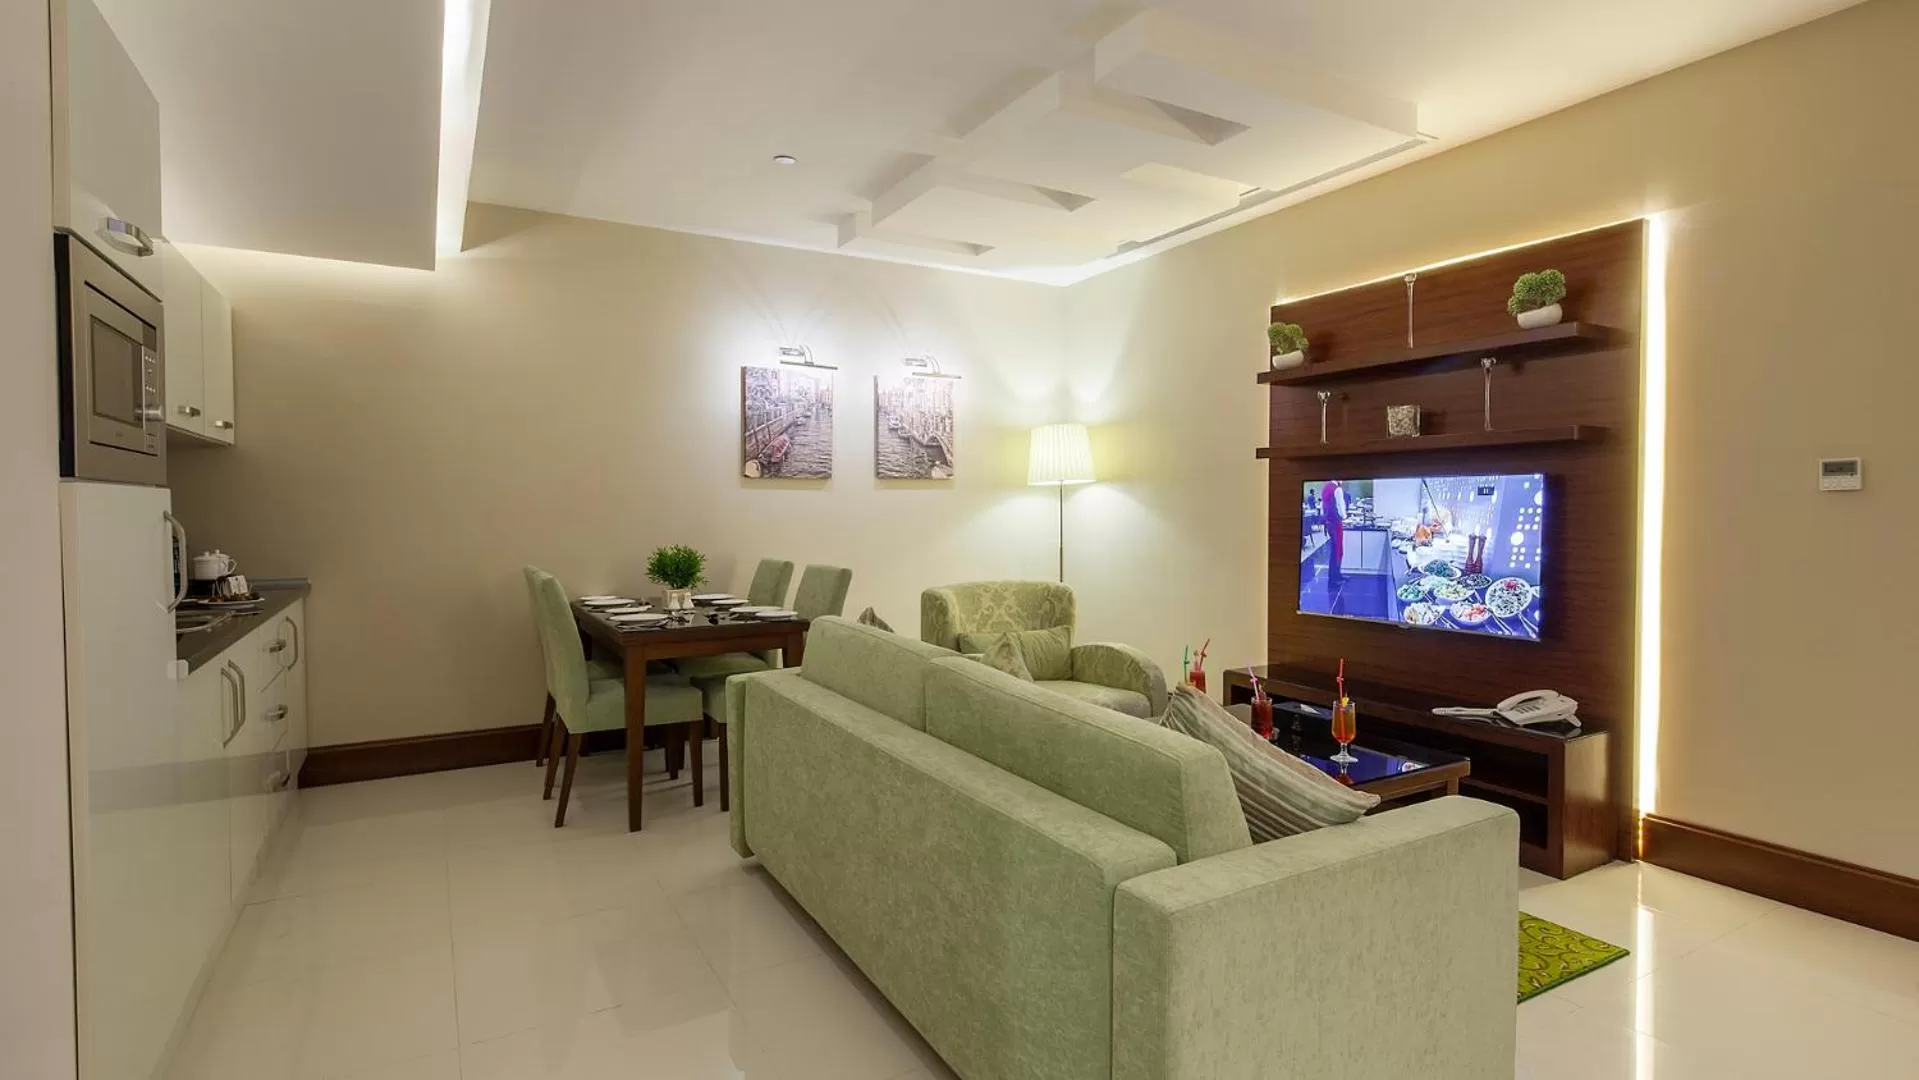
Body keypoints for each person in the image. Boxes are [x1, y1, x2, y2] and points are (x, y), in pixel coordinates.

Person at [1320, 479, 1346, 597]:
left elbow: (1322, 507)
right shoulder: (1337, 489)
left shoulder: (1325, 487)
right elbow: (1341, 508)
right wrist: (1344, 517)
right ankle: (1334, 579)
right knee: (1338, 550)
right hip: (1336, 523)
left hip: (1329, 523)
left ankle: (1336, 575)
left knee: (1334, 550)